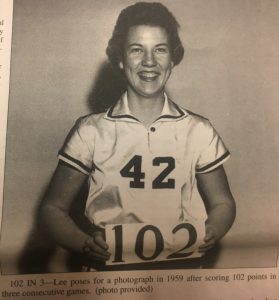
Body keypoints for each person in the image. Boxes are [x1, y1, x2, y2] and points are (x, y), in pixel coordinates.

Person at [40, 2, 236, 271]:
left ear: (173, 58)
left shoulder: (199, 130)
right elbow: (52, 209)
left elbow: (223, 203)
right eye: (136, 50)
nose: (149, 61)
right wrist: (84, 243)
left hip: (181, 278)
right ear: (120, 58)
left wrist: (212, 229)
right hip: (110, 279)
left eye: (160, 49)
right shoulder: (90, 131)